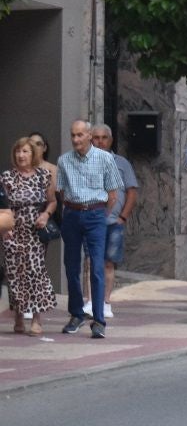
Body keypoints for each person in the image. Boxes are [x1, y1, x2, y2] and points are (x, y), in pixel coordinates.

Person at [57, 119, 121, 339]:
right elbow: (62, 192)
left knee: (96, 266)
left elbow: (113, 194)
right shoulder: (64, 160)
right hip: (72, 213)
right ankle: (76, 314)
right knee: (71, 266)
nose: (75, 139)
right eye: (72, 135)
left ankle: (98, 319)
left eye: (79, 135)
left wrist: (99, 214)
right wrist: (74, 209)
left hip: (95, 213)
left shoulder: (105, 159)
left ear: (89, 135)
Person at [1, 137, 57, 335]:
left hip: (34, 232)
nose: (21, 155)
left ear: (33, 154)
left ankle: (36, 318)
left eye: (25, 151)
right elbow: (2, 207)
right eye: (18, 151)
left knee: (36, 272)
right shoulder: (7, 177)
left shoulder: (43, 175)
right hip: (13, 232)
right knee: (15, 274)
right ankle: (18, 315)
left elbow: (52, 201)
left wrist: (45, 214)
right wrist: (5, 227)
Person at [83, 123, 138, 320]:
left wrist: (123, 216)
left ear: (111, 140)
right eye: (96, 138)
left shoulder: (122, 163)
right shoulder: (84, 162)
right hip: (90, 221)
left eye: (103, 138)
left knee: (108, 264)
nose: (100, 141)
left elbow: (132, 191)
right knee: (90, 262)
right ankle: (89, 301)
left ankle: (106, 302)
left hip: (113, 222)